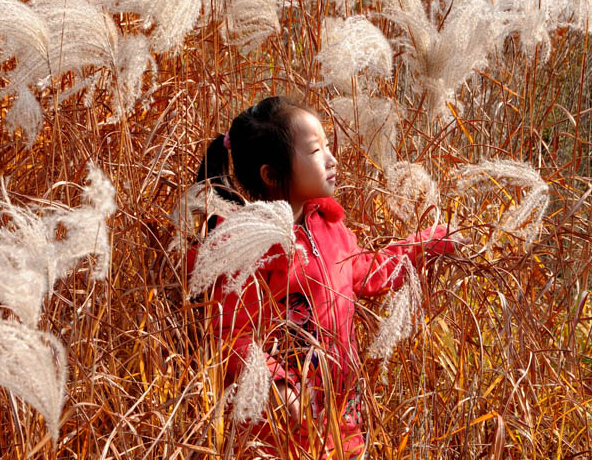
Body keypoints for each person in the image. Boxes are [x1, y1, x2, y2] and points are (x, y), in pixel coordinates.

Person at [186, 96, 458, 458]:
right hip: (281, 429)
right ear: (270, 174)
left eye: (327, 146)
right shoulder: (248, 243)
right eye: (316, 151)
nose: (331, 159)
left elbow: (365, 271)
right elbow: (231, 332)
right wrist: (278, 386)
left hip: (341, 416)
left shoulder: (329, 226)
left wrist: (431, 243)